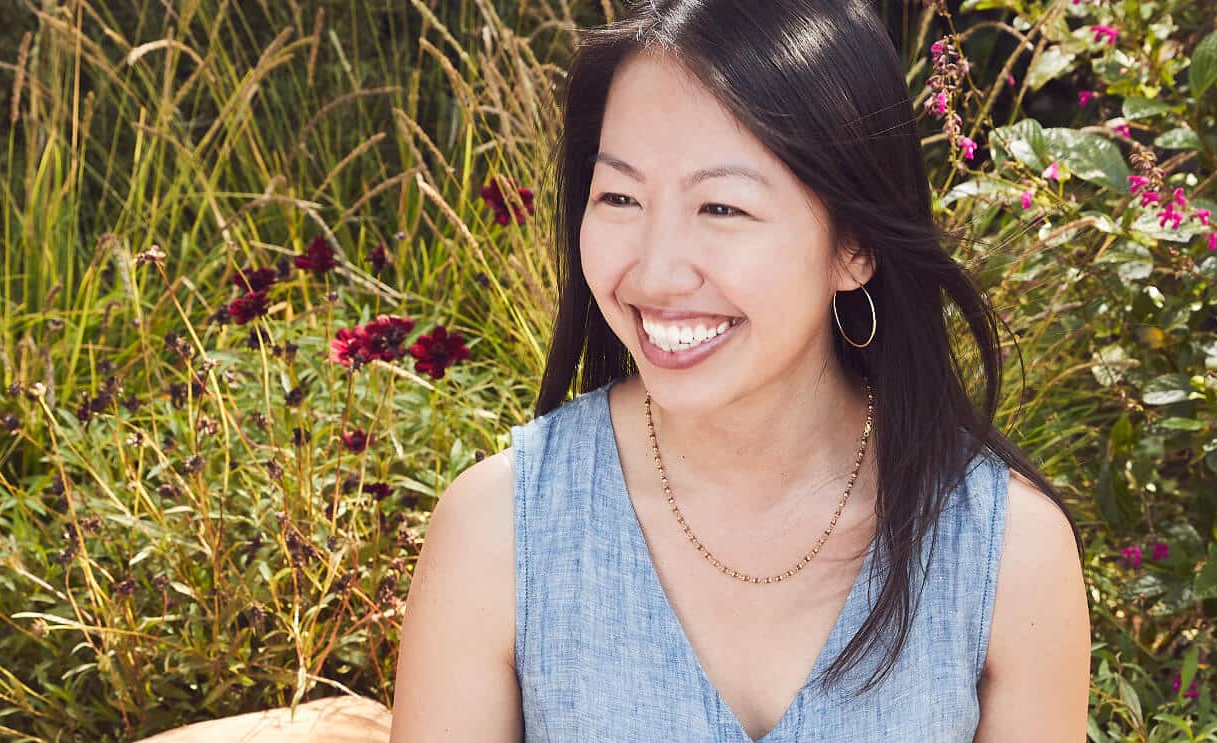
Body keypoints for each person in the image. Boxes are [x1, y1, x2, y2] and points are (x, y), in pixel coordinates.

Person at [389, 0, 1088, 740]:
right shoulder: (499, 531)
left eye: (721, 207)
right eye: (619, 196)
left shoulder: (1008, 554)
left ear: (855, 244)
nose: (654, 272)